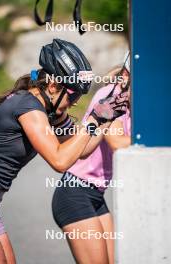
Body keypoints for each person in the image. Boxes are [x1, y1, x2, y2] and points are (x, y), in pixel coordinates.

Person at [0, 39, 128, 264]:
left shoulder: (50, 110)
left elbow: (82, 149)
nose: (76, 102)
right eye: (73, 95)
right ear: (54, 86)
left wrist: (106, 118)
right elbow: (59, 161)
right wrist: (93, 120)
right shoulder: (27, 106)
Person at [52, 53, 131, 264]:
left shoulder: (133, 105)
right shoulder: (110, 97)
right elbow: (117, 143)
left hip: (96, 194)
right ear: (125, 76)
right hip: (75, 192)